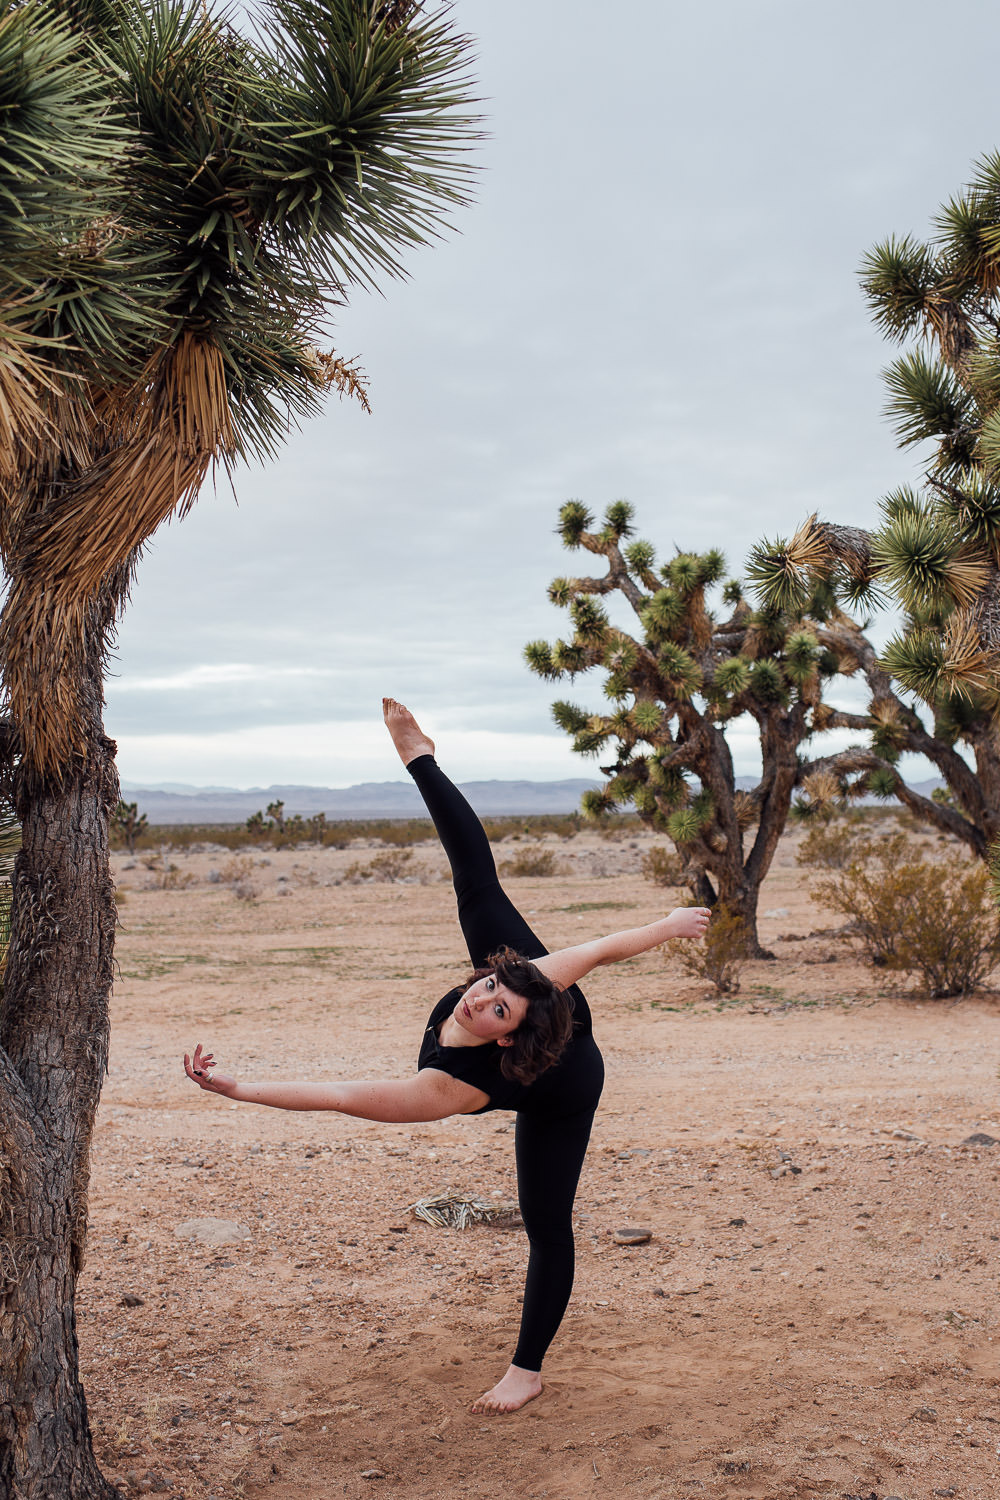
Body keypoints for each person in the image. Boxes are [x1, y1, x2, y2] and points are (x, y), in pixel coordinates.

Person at [184, 699, 710, 1413]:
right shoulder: (517, 981)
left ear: (504, 1034)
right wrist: (669, 925)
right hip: (549, 1000)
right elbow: (605, 947)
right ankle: (420, 755)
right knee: (476, 882)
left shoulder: (452, 1088)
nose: (478, 998)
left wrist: (238, 1088)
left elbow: (342, 1094)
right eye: (488, 985)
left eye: (495, 1007)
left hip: (566, 1083)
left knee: (547, 1225)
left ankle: (527, 1369)